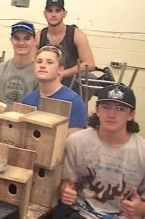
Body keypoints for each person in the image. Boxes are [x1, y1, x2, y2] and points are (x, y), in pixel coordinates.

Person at [57, 84, 144, 219]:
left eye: (120, 109)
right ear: (97, 110)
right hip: (81, 213)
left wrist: (141, 209)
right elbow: (67, 182)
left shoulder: (142, 152)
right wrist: (65, 190)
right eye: (106, 107)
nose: (111, 114)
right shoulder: (76, 142)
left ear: (131, 115)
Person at [21, 45, 87, 135]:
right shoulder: (28, 100)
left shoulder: (74, 102)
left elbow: (74, 143)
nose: (42, 66)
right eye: (39, 62)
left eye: (49, 62)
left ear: (60, 70)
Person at [39, 0, 95, 87]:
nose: (53, 14)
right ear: (45, 14)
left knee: (90, 78)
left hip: (71, 84)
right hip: (45, 82)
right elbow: (31, 62)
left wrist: (64, 73)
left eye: (57, 11)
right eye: (50, 11)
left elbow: (90, 64)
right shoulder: (39, 35)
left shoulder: (77, 35)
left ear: (64, 14)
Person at [0, 22, 38, 110]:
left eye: (26, 39)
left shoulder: (39, 72)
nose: (21, 43)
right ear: (11, 40)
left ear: (34, 41)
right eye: (17, 38)